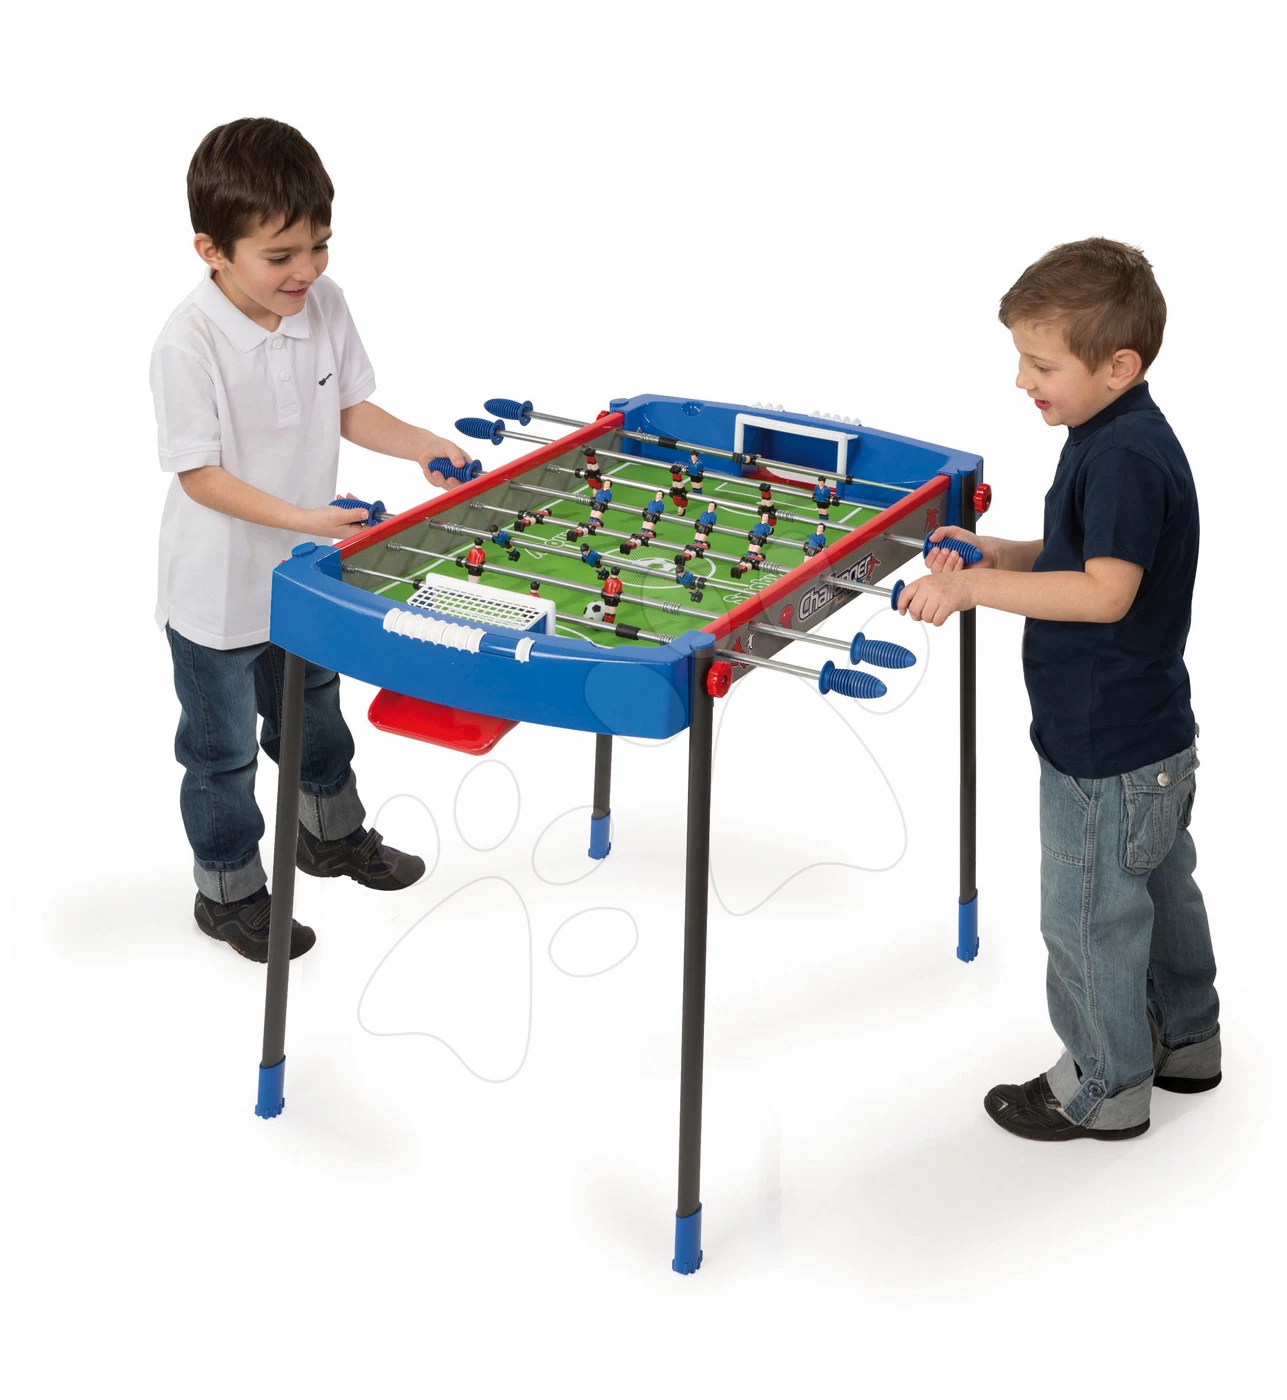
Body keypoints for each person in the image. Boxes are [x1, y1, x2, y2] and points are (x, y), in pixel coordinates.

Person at [898, 237, 1218, 1140]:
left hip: (1100, 745)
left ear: (1118, 366)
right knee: (1160, 894)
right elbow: (1092, 554)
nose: (1021, 380)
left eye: (1041, 366)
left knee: (1086, 919)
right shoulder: (1117, 435)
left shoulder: (1119, 456)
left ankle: (1102, 1089)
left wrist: (971, 589)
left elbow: (1104, 593)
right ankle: (1186, 1040)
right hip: (1152, 734)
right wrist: (1002, 554)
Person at [152, 117, 467, 962]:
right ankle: (227, 893)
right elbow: (199, 476)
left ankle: (328, 837)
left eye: (320, 246)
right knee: (220, 755)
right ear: (212, 251)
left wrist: (422, 445)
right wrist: (304, 518)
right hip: (218, 594)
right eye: (281, 255)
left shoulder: (323, 303)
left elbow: (348, 407)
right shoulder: (187, 344)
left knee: (315, 717)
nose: (307, 270)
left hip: (304, 574)